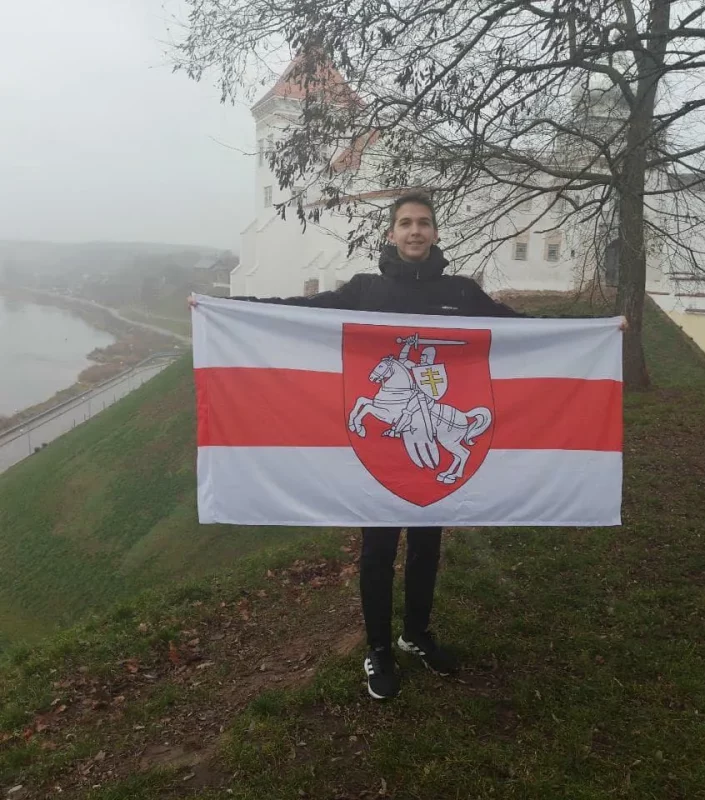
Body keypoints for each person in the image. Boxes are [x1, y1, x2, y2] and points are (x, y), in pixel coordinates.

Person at [190, 192, 626, 701]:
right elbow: (302, 312)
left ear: (435, 232)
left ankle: (416, 634)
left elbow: (519, 326)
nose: (414, 231)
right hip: (377, 461)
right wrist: (225, 309)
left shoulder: (462, 293)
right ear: (391, 233)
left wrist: (596, 331)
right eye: (405, 223)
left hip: (431, 432)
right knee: (377, 550)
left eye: (423, 223)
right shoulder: (365, 290)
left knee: (426, 548)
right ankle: (378, 649)